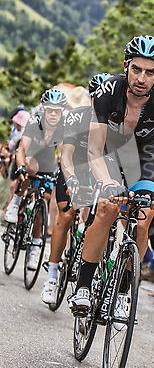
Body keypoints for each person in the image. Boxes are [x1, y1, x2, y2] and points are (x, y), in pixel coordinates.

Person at [68, 35, 154, 314]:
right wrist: (106, 183)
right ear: (126, 66)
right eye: (136, 69)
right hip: (107, 152)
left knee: (142, 221)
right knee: (106, 209)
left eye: (150, 72)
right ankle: (83, 286)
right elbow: (94, 150)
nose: (142, 78)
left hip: (142, 156)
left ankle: (122, 291)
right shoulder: (107, 91)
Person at [41, 75, 110, 304]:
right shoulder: (77, 117)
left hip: (101, 173)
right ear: (91, 97)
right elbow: (66, 157)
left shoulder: (117, 121)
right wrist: (71, 181)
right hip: (75, 170)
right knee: (66, 216)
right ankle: (52, 276)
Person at [5, 89, 67, 269]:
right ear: (44, 109)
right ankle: (16, 201)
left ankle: (34, 246)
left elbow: (64, 152)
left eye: (58, 110)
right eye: (50, 110)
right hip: (30, 155)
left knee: (44, 203)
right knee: (31, 166)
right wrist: (21, 166)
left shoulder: (63, 125)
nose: (54, 114)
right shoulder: (35, 121)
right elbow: (22, 149)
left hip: (48, 159)